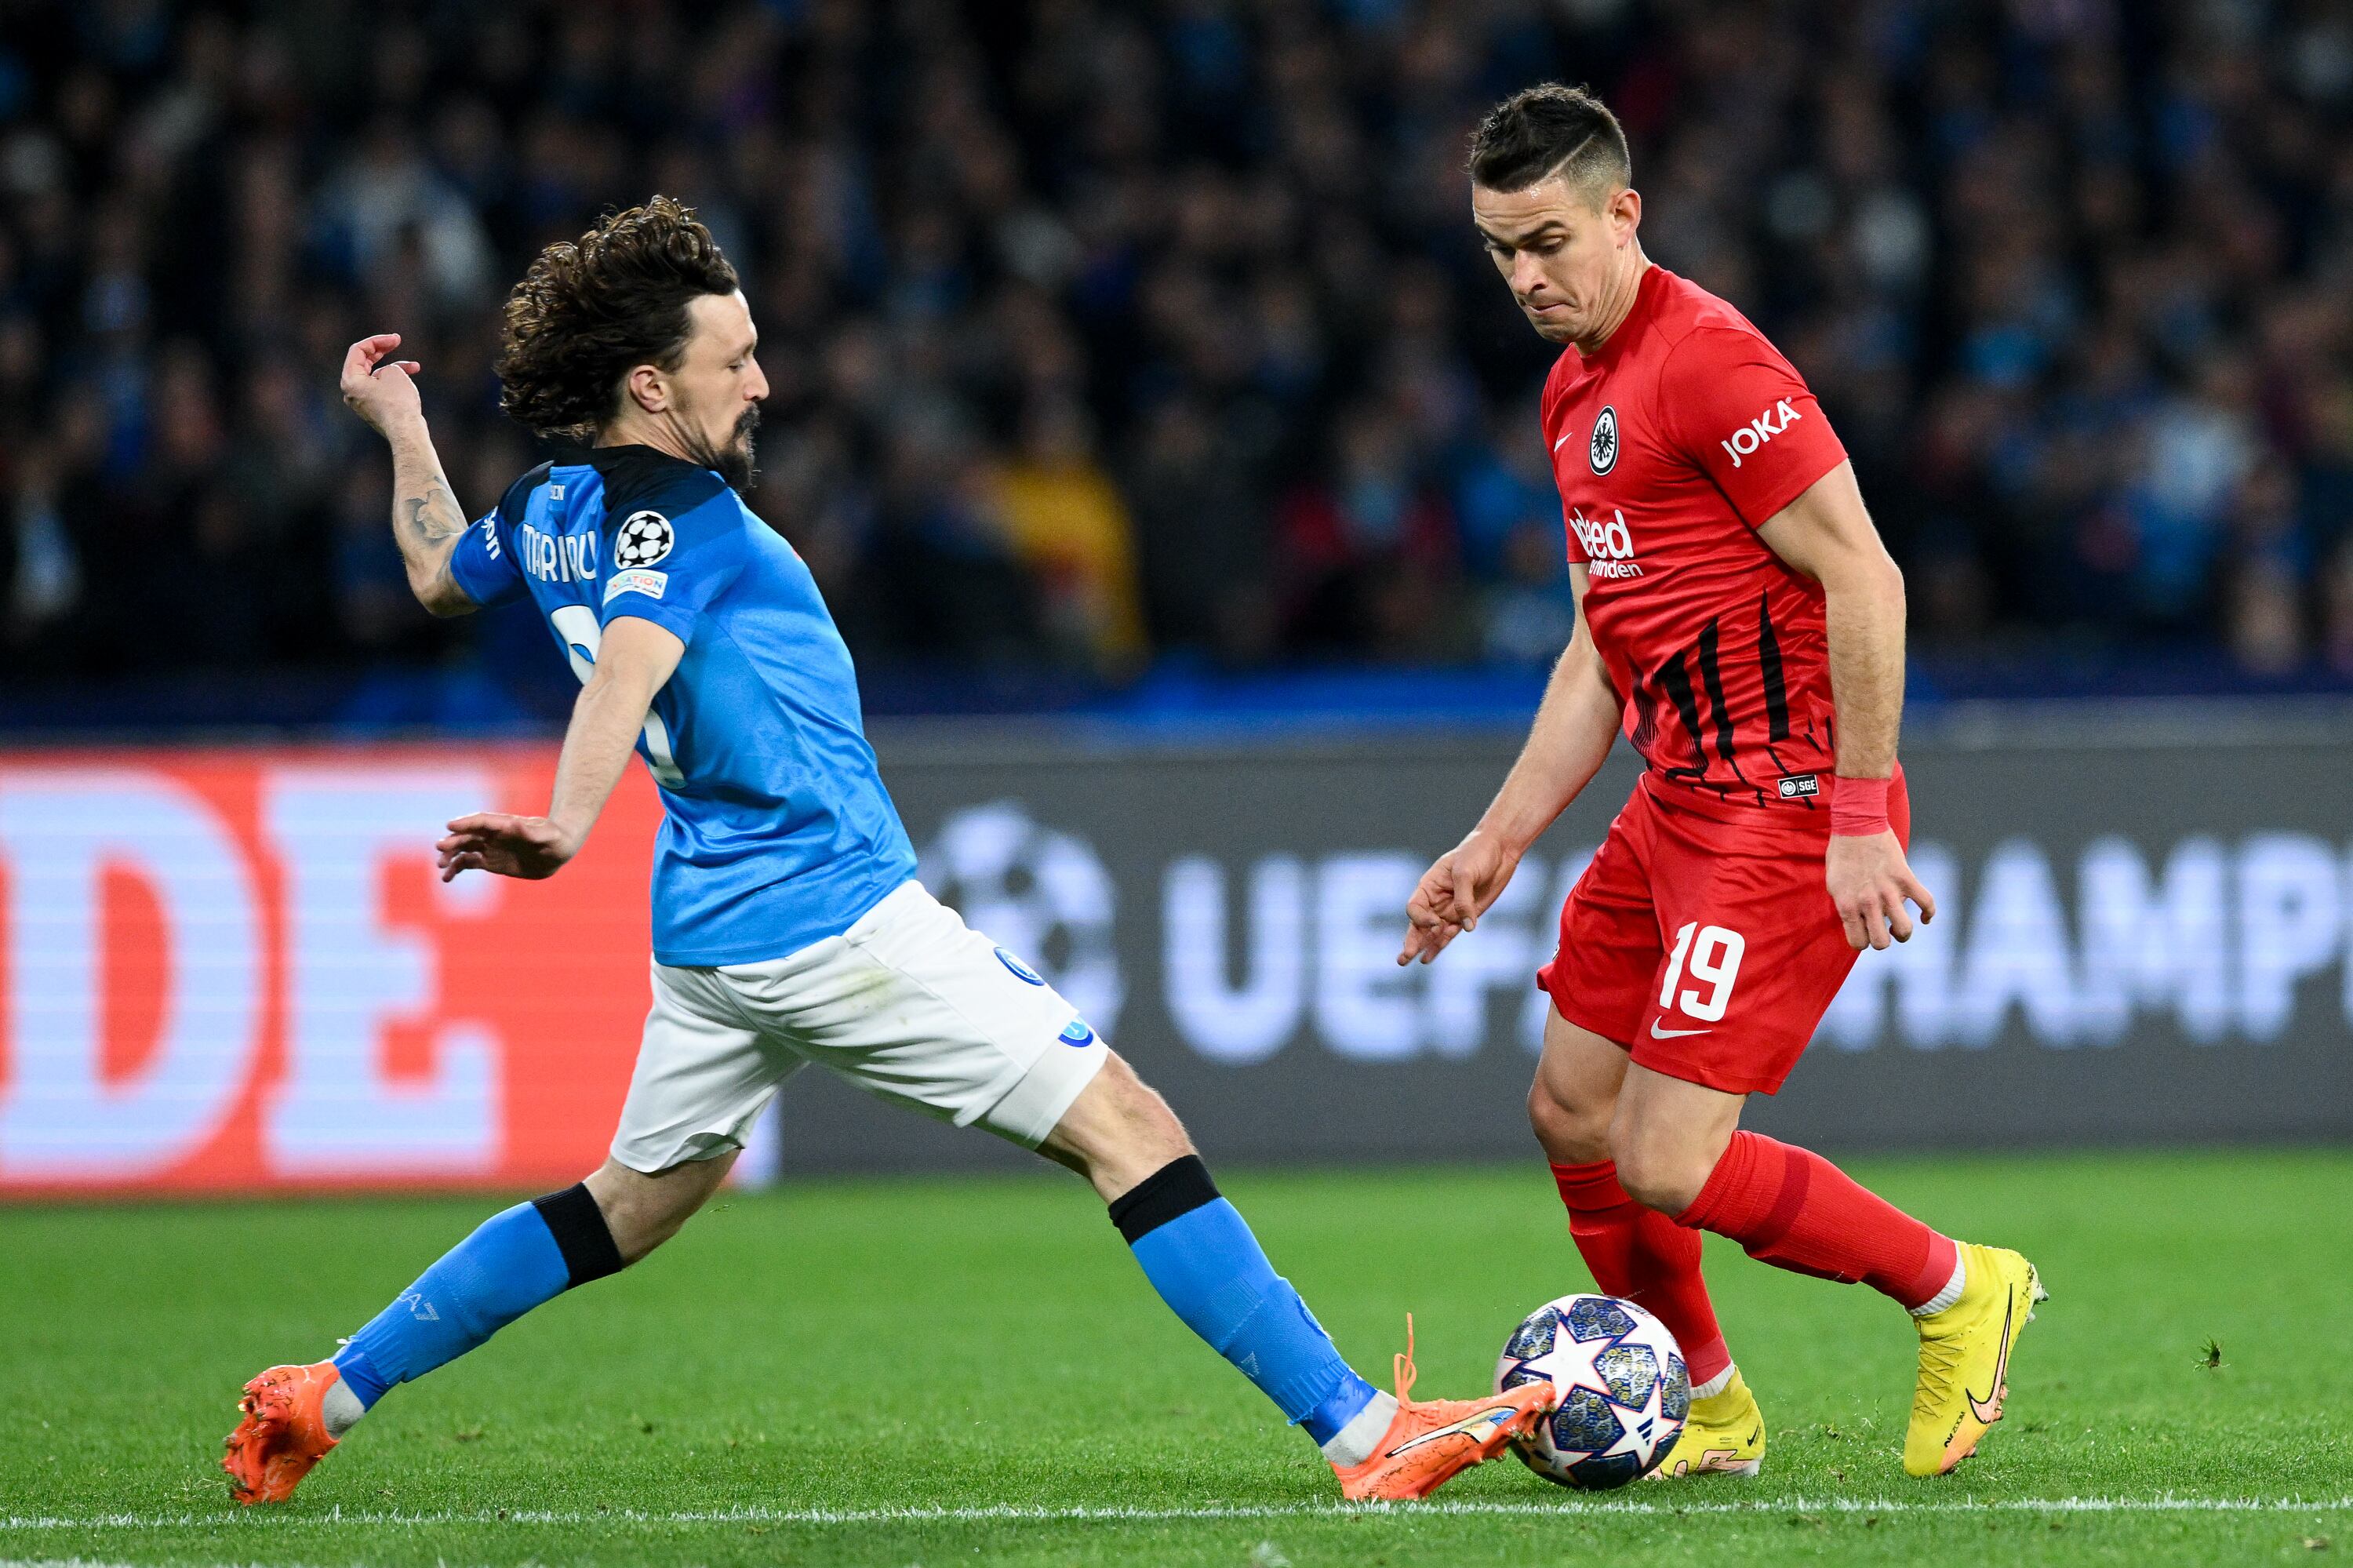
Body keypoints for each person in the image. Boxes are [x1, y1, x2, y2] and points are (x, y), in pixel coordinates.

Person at [221, 197, 1551, 1506]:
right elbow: (626, 666)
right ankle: (1362, 1434)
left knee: (625, 1205)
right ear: (651, 385)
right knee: (1128, 1126)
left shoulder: (548, 505)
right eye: (735, 360)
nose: (761, 382)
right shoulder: (678, 523)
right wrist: (567, 823)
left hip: (709, 937)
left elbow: (439, 572)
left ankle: (329, 1392)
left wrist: (400, 427)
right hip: (828, 913)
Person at [1400, 86, 2043, 1481]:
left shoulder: (1712, 366)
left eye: (1549, 242)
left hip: (1787, 802)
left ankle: (1960, 1286)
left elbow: (1866, 576)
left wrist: (1860, 818)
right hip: (1677, 799)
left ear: (1624, 213)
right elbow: (1602, 643)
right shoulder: (1573, 392)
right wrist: (1497, 841)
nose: (1526, 278)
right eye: (1501, 251)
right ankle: (1711, 1404)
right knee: (1571, 1110)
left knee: (1669, 1159)